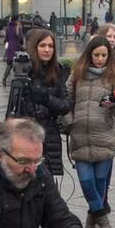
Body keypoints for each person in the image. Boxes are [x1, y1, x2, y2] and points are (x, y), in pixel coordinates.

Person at [65, 36, 115, 228]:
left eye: (104, 55)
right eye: (96, 55)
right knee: (86, 182)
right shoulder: (77, 74)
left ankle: (92, 221)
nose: (100, 59)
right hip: (80, 138)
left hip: (105, 137)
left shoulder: (114, 76)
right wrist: (68, 120)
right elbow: (66, 101)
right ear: (89, 54)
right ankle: (104, 221)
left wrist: (114, 104)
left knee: (100, 184)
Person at [24, 29, 71, 177]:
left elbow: (65, 105)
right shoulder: (26, 71)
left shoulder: (58, 71)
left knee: (48, 183)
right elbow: (20, 107)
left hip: (50, 136)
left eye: (50, 46)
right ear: (34, 47)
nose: (47, 49)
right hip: (28, 136)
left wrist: (45, 98)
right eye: (42, 45)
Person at [2, 16, 24, 85]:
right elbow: (21, 39)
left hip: (10, 48)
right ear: (17, 20)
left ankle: (4, 78)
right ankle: (18, 79)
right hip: (17, 48)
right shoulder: (18, 28)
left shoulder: (8, 28)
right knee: (19, 63)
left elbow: (6, 39)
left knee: (9, 65)